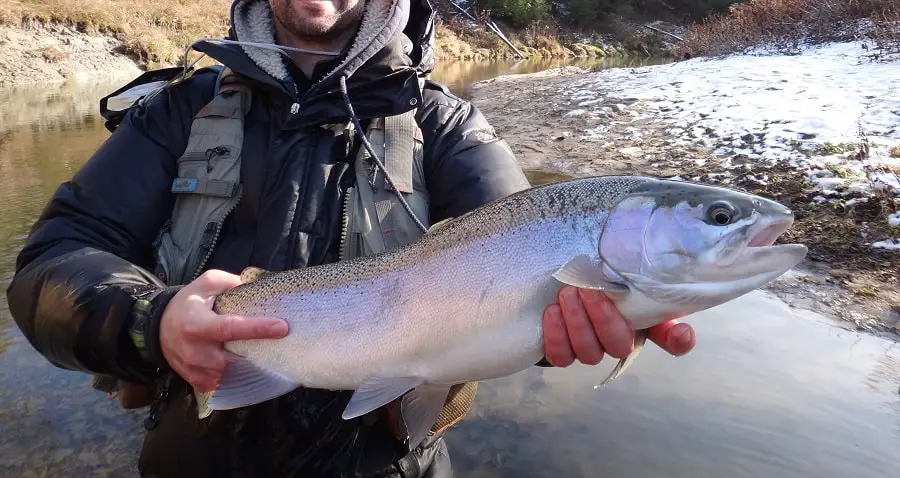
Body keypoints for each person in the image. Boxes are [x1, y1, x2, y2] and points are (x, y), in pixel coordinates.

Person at [5, 0, 696, 476]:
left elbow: (530, 265)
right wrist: (150, 324)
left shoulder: (448, 129)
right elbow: (48, 264)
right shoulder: (176, 113)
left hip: (392, 464)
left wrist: (607, 313)